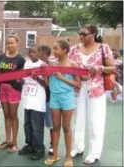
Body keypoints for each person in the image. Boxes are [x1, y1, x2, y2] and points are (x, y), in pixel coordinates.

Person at [68, 25, 115, 164]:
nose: (81, 36)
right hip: (79, 89)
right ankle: (77, 147)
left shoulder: (103, 48)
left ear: (93, 34)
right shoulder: (74, 49)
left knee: (96, 122)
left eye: (84, 34)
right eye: (80, 34)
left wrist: (99, 68)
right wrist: (77, 74)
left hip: (97, 90)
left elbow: (112, 67)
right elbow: (67, 65)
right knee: (78, 120)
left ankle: (94, 153)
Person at [44, 40, 81, 167]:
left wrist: (61, 77)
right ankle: (54, 155)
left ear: (65, 50)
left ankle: (68, 156)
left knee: (66, 127)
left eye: (56, 49)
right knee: (55, 127)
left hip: (67, 98)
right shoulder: (52, 64)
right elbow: (48, 84)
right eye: (53, 49)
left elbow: (78, 84)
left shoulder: (73, 64)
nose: (54, 52)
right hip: (54, 97)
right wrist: (45, 75)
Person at [0, 34, 26, 153]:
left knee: (13, 115)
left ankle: (15, 143)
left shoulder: (21, 59)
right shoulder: (1, 57)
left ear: (17, 43)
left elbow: (22, 75)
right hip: (2, 88)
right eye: (8, 43)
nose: (10, 45)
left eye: (12, 43)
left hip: (14, 89)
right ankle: (7, 141)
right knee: (6, 115)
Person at [19, 45, 47, 160]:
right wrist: (20, 81)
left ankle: (39, 149)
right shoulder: (26, 64)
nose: (31, 54)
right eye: (30, 52)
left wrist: (37, 79)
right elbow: (24, 81)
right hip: (27, 99)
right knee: (27, 125)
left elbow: (46, 84)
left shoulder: (43, 65)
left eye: (34, 52)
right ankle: (30, 145)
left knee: (37, 127)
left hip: (38, 101)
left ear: (40, 53)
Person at [40, 45, 54, 155]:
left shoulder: (51, 66)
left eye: (41, 53)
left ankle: (53, 144)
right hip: (37, 99)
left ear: (46, 54)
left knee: (51, 124)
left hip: (48, 98)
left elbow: (48, 84)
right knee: (37, 123)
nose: (39, 55)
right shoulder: (34, 65)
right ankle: (38, 144)